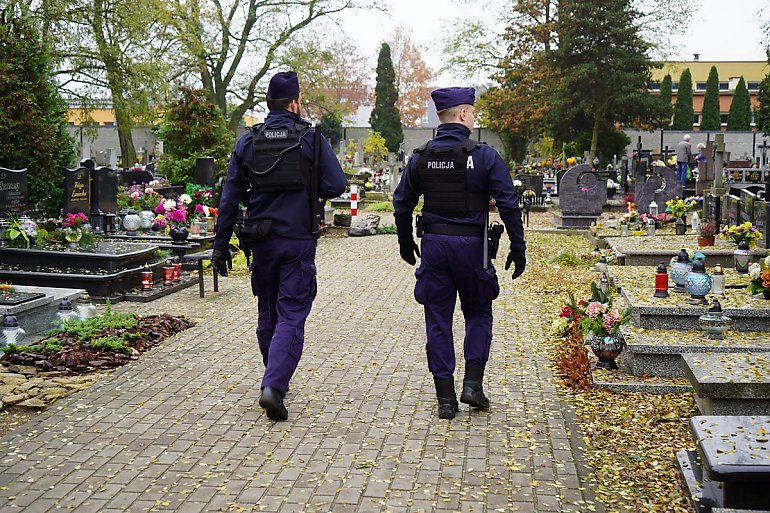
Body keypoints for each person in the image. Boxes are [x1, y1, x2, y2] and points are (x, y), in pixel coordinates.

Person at [211, 71, 347, 421]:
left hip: (261, 242)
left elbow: (229, 198)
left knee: (268, 313)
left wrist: (219, 246)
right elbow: (336, 185)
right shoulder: (311, 139)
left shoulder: (248, 141)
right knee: (292, 314)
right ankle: (274, 386)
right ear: (294, 102)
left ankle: (272, 377)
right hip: (297, 240)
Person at [392, 87, 527, 420]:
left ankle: (445, 401)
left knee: (437, 319)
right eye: (473, 112)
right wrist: (518, 246)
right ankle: (472, 386)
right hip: (473, 248)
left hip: (435, 247)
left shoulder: (421, 156)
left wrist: (404, 240)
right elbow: (508, 202)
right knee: (478, 313)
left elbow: (401, 203)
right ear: (464, 114)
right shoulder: (484, 156)